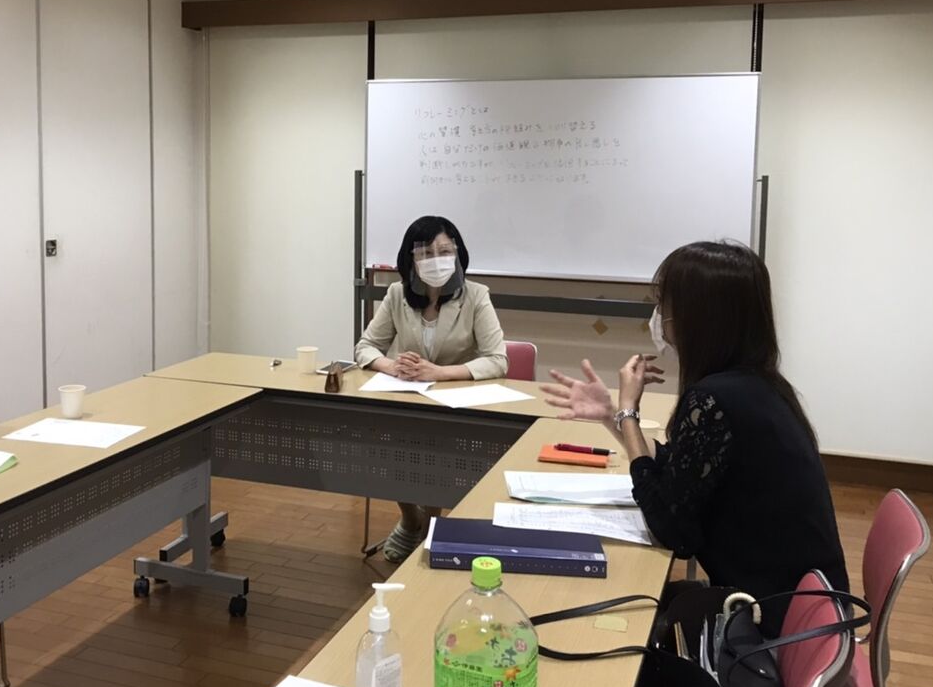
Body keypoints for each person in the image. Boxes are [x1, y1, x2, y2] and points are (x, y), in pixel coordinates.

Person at [542, 240, 847, 636]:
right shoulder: (758, 385)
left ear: (697, 316)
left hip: (774, 623)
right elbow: (682, 471)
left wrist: (629, 412)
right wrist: (611, 415)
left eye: (665, 306)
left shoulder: (715, 398)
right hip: (805, 606)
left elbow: (672, 529)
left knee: (612, 614)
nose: (659, 318)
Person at [355, 215, 508, 563]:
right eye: (425, 252)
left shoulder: (476, 295)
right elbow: (365, 347)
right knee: (385, 445)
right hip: (408, 402)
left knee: (437, 448)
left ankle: (433, 527)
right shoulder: (397, 294)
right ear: (410, 259)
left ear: (458, 254)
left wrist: (439, 372)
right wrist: (391, 366)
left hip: (457, 408)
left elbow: (498, 360)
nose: (435, 260)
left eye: (444, 251)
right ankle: (411, 519)